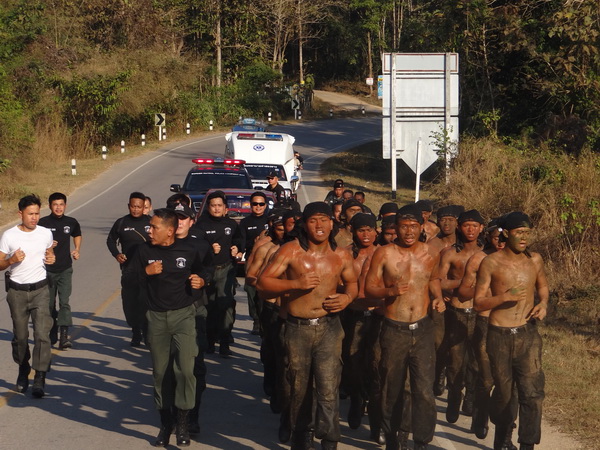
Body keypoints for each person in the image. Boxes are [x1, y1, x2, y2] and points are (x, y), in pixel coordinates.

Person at [257, 202, 358, 450]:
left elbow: (353, 284)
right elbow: (263, 283)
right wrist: (295, 284)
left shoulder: (341, 255)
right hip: (297, 329)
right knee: (298, 386)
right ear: (304, 224)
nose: (319, 225)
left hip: (329, 327)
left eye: (324, 220)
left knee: (328, 384)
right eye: (313, 220)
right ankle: (301, 435)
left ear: (332, 223)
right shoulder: (291, 251)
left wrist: (347, 298)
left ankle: (330, 439)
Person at [364, 204, 445, 450]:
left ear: (422, 227)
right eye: (403, 226)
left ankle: (421, 441)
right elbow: (369, 288)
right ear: (395, 228)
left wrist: (438, 297)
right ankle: (392, 438)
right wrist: (390, 291)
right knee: (392, 388)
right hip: (394, 329)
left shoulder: (432, 253)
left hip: (422, 328)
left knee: (424, 389)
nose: (409, 231)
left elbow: (433, 279)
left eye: (413, 226)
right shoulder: (384, 253)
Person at [134, 208, 209, 447]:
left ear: (169, 231)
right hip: (156, 319)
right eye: (150, 226)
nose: (149, 231)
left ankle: (183, 424)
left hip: (183, 316)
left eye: (154, 227)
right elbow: (128, 279)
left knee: (185, 370)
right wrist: (145, 272)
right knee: (161, 373)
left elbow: (203, 269)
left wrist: (202, 280)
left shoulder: (189, 250)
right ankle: (166, 424)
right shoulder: (144, 251)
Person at [474, 212, 548, 450]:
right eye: (519, 233)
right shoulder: (491, 262)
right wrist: (503, 298)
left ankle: (527, 443)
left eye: (527, 233)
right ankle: (503, 438)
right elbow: (478, 303)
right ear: (506, 233)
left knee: (532, 392)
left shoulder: (535, 260)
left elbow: (543, 287)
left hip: (528, 334)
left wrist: (543, 304)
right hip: (499, 336)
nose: (524, 238)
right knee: (505, 394)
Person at [0, 194, 55, 398]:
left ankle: (39, 376)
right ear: (20, 214)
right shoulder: (9, 236)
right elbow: (0, 263)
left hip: (41, 290)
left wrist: (52, 257)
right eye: (30, 214)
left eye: (37, 213)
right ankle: (23, 368)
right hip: (17, 292)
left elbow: (49, 254)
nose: (34, 218)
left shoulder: (45, 233)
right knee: (21, 337)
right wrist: (10, 260)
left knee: (42, 335)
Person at [457, 218, 507, 441]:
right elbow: (463, 292)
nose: (501, 243)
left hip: (511, 326)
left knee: (507, 381)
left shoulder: (522, 260)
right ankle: (480, 417)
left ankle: (505, 433)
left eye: (504, 238)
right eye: (497, 238)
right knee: (486, 378)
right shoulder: (479, 259)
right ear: (488, 237)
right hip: (485, 323)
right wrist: (484, 288)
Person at [169, 202, 214, 436]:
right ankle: (172, 414)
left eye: (183, 218)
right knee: (169, 367)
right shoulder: (159, 245)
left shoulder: (200, 246)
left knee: (195, 366)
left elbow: (210, 271)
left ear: (191, 221)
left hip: (195, 310)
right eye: (175, 218)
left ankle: (191, 415)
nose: (179, 222)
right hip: (166, 313)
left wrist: (203, 280)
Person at [438, 209, 485, 424]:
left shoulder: (486, 254)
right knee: (455, 362)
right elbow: (439, 281)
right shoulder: (450, 253)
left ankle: (471, 398)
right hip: (456, 311)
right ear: (460, 227)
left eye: (475, 226)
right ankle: (454, 398)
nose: (470, 230)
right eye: (466, 225)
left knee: (477, 362)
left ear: (481, 228)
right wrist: (462, 285)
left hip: (479, 313)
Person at [340, 213, 379, 431]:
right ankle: (356, 399)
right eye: (361, 230)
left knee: (376, 364)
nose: (366, 235)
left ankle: (374, 407)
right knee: (352, 362)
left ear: (376, 231)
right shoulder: (345, 254)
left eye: (369, 230)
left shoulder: (383, 253)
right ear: (354, 232)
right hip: (352, 314)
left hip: (378, 315)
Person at [193, 190, 242, 357]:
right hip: (208, 271)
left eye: (219, 205)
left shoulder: (231, 224)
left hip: (226, 269)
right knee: (209, 306)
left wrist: (237, 248)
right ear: (208, 207)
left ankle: (225, 341)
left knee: (225, 305)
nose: (216, 208)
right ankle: (210, 341)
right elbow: (195, 247)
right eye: (213, 205)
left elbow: (239, 240)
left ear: (225, 208)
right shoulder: (201, 225)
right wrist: (209, 248)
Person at [427, 204, 465, 397]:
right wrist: (440, 294)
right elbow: (428, 275)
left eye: (451, 220)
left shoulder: (465, 243)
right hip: (438, 300)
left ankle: (457, 382)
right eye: (443, 220)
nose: (447, 224)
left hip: (461, 301)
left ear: (458, 222)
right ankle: (438, 373)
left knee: (458, 345)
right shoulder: (433, 245)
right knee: (438, 341)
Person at [106, 191, 151, 346]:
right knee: (130, 303)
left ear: (144, 207)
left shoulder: (151, 223)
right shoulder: (121, 223)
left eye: (139, 207)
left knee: (146, 302)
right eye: (133, 206)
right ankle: (135, 330)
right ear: (128, 206)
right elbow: (110, 240)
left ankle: (146, 331)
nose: (136, 209)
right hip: (129, 271)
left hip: (148, 271)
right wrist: (117, 254)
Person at [39, 192, 82, 350]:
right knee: (49, 304)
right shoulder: (42, 223)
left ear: (65, 205)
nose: (58, 208)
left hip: (65, 269)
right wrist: (48, 246)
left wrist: (77, 249)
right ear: (50, 206)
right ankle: (52, 331)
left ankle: (64, 336)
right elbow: (35, 244)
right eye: (55, 205)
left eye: (61, 204)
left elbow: (77, 234)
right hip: (47, 271)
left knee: (65, 302)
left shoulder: (71, 222)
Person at [240, 192, 271, 334]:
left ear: (265, 205)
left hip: (268, 261)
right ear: (250, 205)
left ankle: (265, 319)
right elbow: (241, 243)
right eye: (255, 204)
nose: (258, 207)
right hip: (252, 261)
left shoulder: (270, 220)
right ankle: (256, 320)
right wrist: (253, 243)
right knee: (251, 290)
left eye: (261, 204)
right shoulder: (245, 223)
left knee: (265, 291)